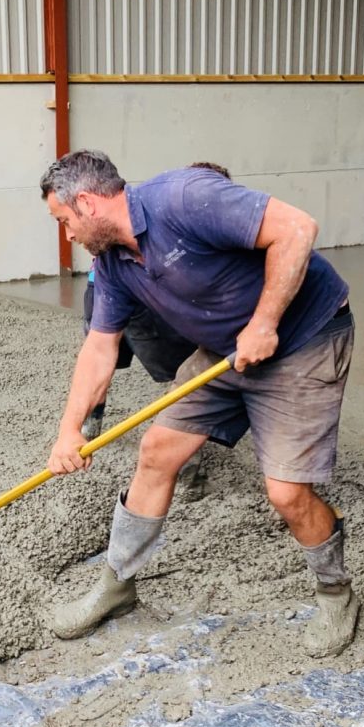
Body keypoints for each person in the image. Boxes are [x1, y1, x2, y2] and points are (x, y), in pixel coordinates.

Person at [40, 150, 357, 658]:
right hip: (226, 350)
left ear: (87, 202)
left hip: (304, 337)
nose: (68, 235)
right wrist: (69, 430)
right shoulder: (114, 264)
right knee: (157, 451)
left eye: (64, 221)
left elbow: (298, 228)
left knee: (286, 493)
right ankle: (117, 585)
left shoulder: (184, 198)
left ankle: (335, 592)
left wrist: (265, 322)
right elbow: (100, 347)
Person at [80, 163, 234, 503]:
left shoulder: (171, 216)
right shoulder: (171, 218)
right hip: (123, 298)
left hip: (121, 296)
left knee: (174, 378)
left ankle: (183, 470)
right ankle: (88, 435)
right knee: (173, 378)